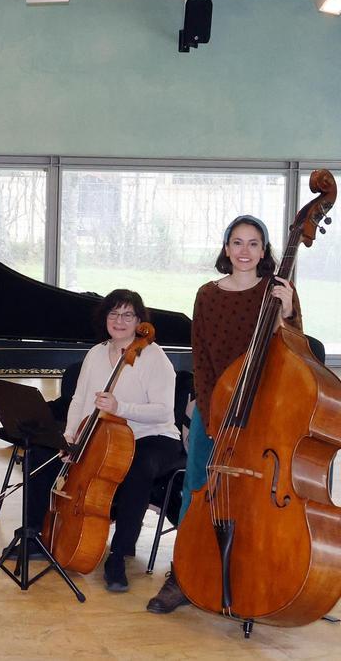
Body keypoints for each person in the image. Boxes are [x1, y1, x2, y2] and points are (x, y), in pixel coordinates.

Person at [147, 214, 302, 613]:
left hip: (263, 408)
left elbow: (295, 351)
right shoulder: (207, 294)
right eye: (237, 242)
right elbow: (202, 355)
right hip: (215, 406)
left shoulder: (279, 291)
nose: (245, 251)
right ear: (225, 248)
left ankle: (250, 574)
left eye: (254, 243)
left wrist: (287, 315)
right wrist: (208, 407)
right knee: (195, 489)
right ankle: (182, 575)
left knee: (254, 496)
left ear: (265, 250)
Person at [23, 289, 182, 592]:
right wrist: (70, 437)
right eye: (114, 313)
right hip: (105, 435)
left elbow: (163, 411)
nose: (119, 321)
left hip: (153, 435)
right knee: (44, 453)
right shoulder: (96, 353)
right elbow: (80, 400)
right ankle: (35, 535)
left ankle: (119, 555)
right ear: (104, 317)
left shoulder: (152, 356)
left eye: (127, 315)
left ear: (139, 321)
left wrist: (120, 407)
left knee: (138, 468)